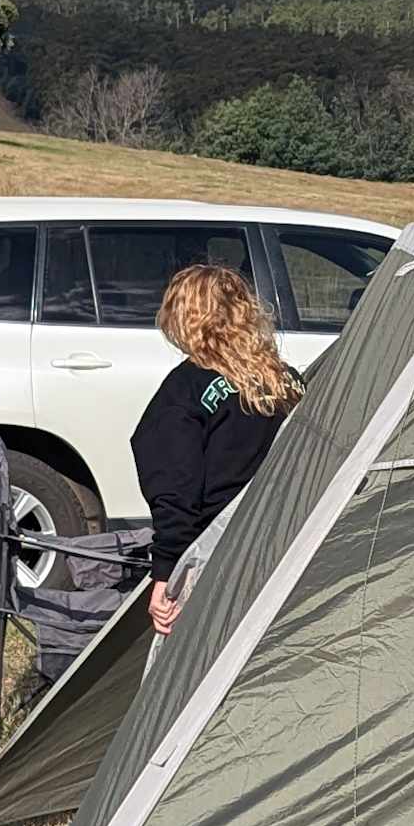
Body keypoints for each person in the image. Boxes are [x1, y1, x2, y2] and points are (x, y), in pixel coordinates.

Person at [134, 262, 300, 634]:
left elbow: (176, 489)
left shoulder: (185, 391)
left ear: (181, 319)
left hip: (217, 558)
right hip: (286, 547)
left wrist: (166, 574)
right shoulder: (286, 381)